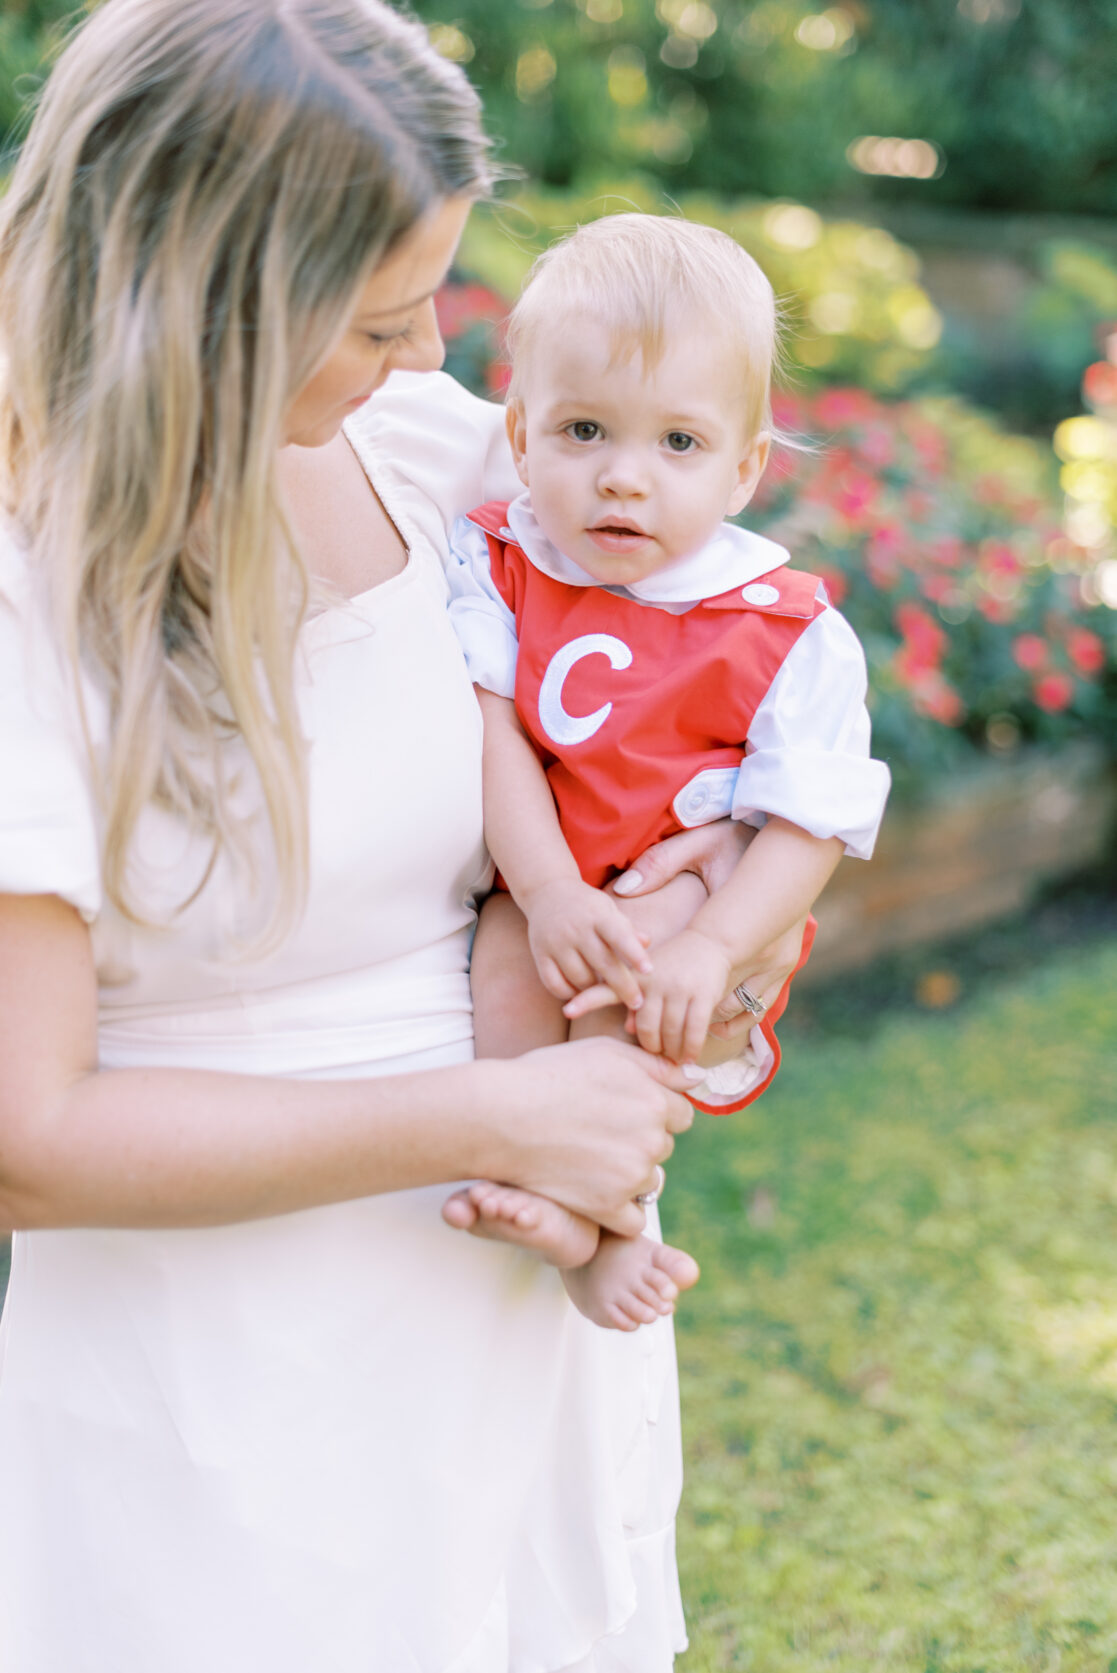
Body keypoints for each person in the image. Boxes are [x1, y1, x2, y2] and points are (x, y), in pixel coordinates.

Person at [0, 4, 794, 1670]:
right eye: (373, 317)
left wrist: (712, 930)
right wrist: (501, 1108)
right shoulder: (26, 582)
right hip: (215, 1380)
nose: (432, 351)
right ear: (206, 307)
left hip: (520, 1316)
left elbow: (729, 708)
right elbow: (28, 1135)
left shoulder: (435, 459)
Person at [441, 216, 891, 1332]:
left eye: (677, 445)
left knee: (624, 1012)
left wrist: (709, 939)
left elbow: (806, 826)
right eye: (584, 430)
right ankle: (523, 1162)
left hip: (688, 897)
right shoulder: (503, 561)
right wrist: (544, 894)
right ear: (522, 432)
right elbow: (494, 730)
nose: (622, 480)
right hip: (541, 875)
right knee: (504, 977)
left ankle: (611, 1226)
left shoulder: (784, 628)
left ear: (743, 470)